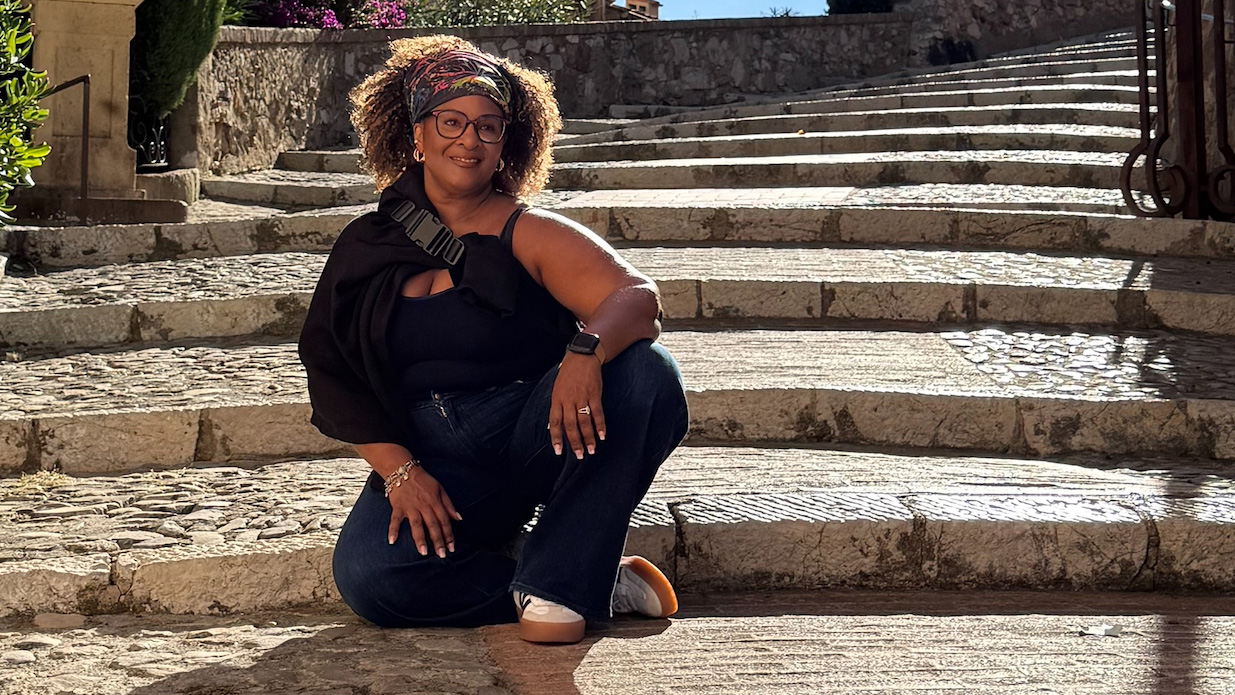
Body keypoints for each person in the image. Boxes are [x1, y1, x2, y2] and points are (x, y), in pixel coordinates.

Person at [297, 34, 690, 644]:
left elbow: (636, 298)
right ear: (417, 134)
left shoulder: (528, 231)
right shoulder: (364, 243)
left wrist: (584, 354)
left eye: (488, 126)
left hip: (534, 431)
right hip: (431, 453)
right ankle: (586, 577)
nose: (469, 139)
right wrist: (400, 473)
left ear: (506, 143)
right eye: (451, 121)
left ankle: (560, 588)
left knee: (647, 371)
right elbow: (332, 370)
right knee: (372, 576)